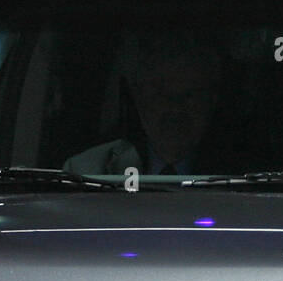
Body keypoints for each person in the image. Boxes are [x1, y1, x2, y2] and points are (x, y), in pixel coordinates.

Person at [64, 32, 224, 181]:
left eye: (189, 96)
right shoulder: (86, 173)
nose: (176, 109)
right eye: (163, 95)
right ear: (140, 100)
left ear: (211, 101)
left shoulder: (241, 176)